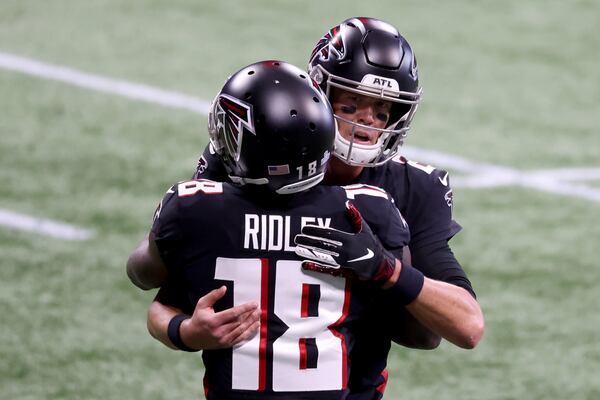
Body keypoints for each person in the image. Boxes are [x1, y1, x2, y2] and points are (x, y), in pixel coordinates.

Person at [130, 17, 485, 400]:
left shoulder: (414, 188)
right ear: (317, 96)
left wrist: (387, 271)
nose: (367, 122)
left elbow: (440, 331)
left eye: (382, 112)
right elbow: (157, 282)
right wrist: (185, 330)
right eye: (352, 103)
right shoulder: (257, 152)